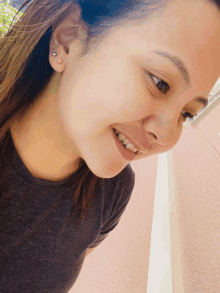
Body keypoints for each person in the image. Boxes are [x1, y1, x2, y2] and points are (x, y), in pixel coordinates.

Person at [0, 0, 220, 292]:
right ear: (67, 39)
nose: (166, 136)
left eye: (186, 113)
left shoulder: (113, 191)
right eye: (160, 83)